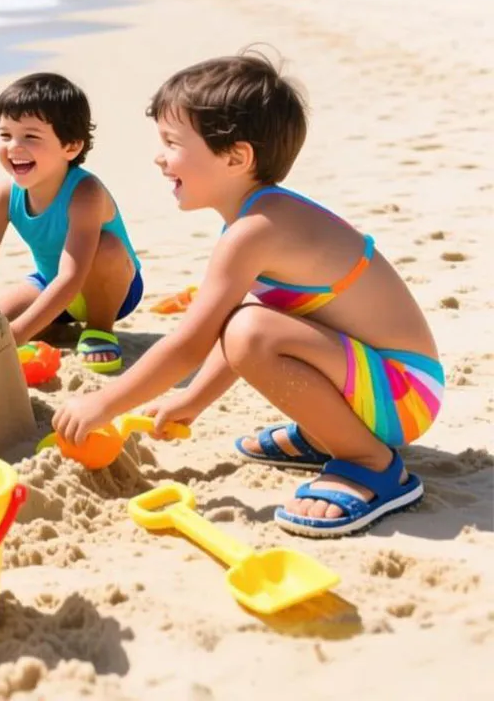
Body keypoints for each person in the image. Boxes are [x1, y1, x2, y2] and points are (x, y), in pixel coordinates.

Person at [53, 52, 444, 538]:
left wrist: (104, 403)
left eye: (172, 143)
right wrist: (192, 399)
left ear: (236, 157)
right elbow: (248, 311)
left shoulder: (256, 230)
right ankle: (332, 431)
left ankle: (371, 462)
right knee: (249, 324)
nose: (160, 157)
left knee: (251, 334)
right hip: (382, 384)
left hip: (404, 395)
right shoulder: (259, 218)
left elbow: (196, 341)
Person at [0, 72, 143, 371]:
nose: (14, 146)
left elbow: (72, 276)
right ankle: (57, 325)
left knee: (106, 247)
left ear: (70, 147)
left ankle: (100, 328)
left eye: (30, 136)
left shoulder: (85, 194)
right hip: (50, 282)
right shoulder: (5, 195)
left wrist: (17, 337)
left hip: (113, 286)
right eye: (6, 135)